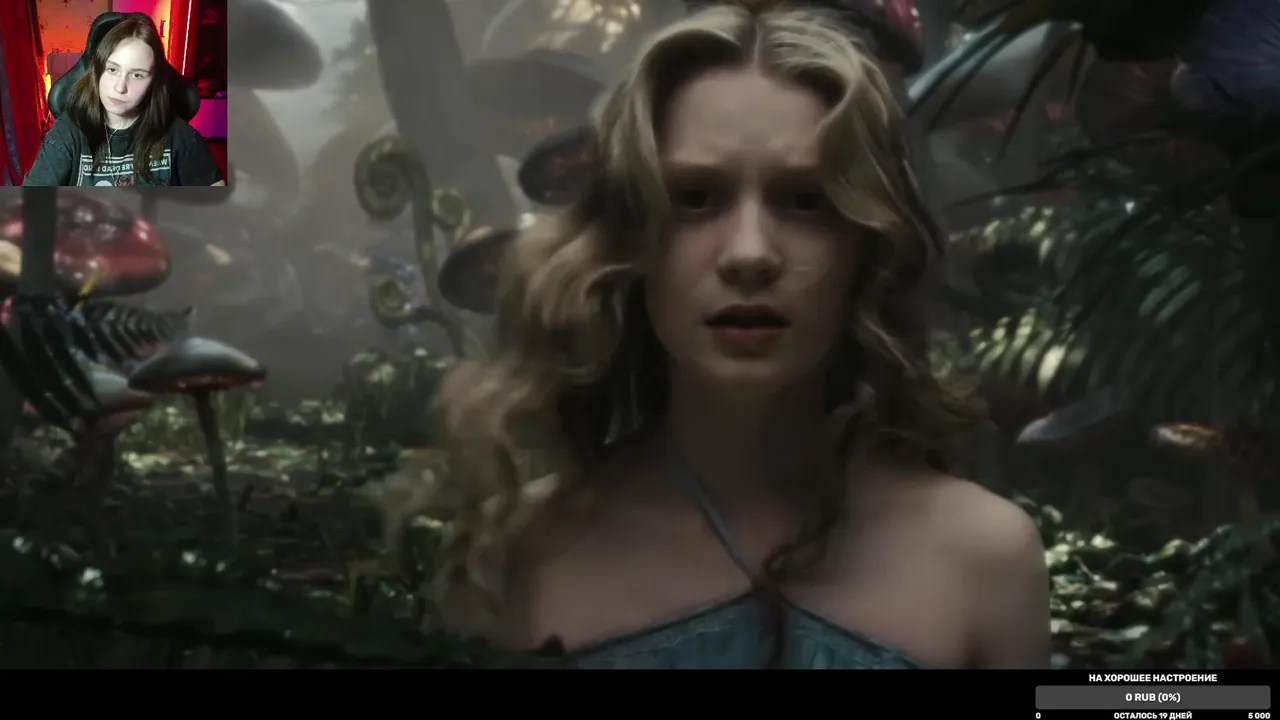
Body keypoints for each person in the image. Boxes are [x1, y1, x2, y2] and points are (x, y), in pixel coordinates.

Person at [400, 3, 1051, 669]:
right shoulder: (515, 558)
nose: (749, 254)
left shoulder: (986, 559)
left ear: (867, 244)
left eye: (807, 200)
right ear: (627, 238)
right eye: (694, 198)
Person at [23, 15, 225, 187]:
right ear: (97, 72)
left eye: (137, 75)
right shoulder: (67, 132)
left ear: (153, 82)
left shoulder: (178, 134)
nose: (120, 88)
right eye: (112, 70)